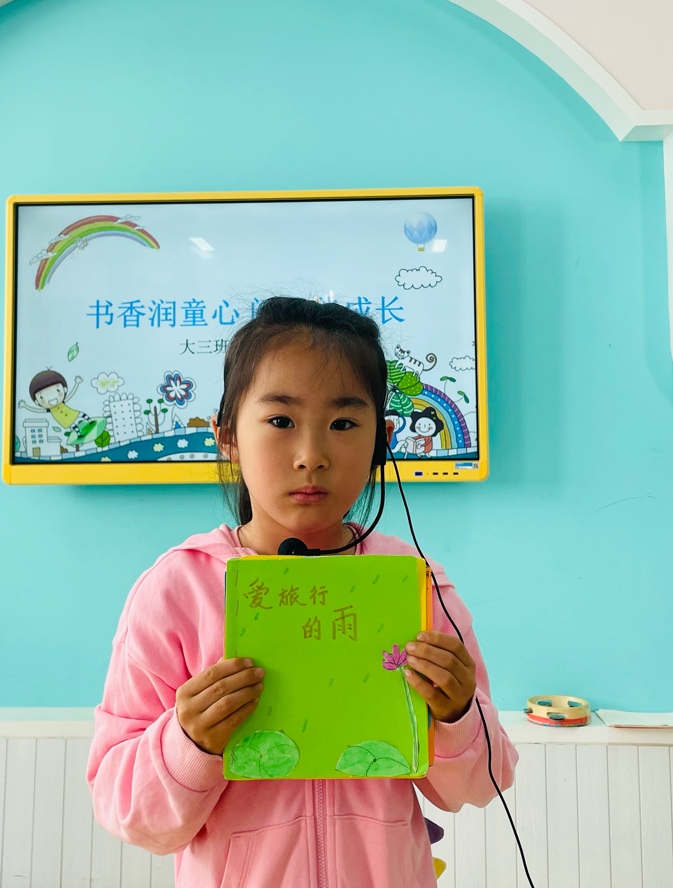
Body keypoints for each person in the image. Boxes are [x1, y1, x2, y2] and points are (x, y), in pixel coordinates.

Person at [87, 297, 516, 887]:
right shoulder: (177, 590)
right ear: (227, 436)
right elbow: (131, 816)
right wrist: (188, 742)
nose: (311, 457)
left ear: (382, 440)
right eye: (280, 421)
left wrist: (458, 713)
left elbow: (480, 785)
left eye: (344, 424)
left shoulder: (415, 586)